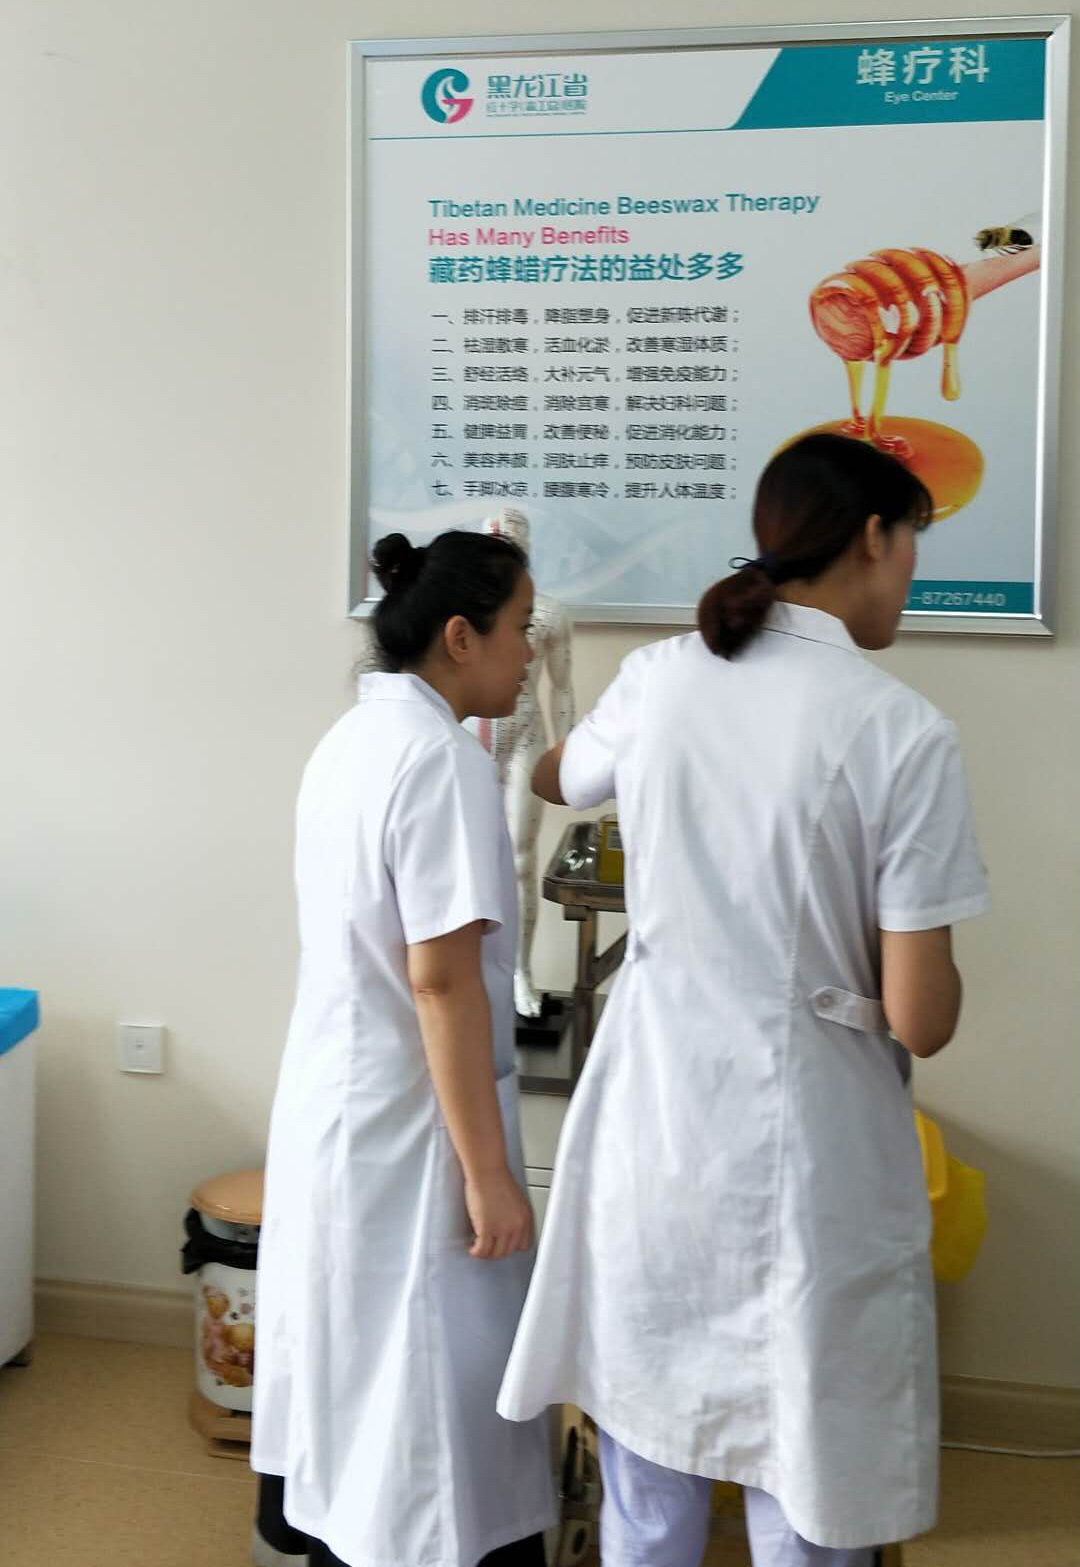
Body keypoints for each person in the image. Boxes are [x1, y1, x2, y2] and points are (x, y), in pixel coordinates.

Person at [497, 433, 990, 1567]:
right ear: (874, 537)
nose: (911, 570)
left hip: (658, 1117)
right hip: (813, 1140)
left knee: (648, 1459)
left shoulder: (662, 676)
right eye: (913, 541)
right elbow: (923, 1015)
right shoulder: (902, 730)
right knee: (803, 1468)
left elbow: (556, 776)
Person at [252, 530, 557, 1567]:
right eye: (521, 627)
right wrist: (490, 1176)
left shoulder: (350, 740)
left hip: (344, 1105)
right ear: (461, 637)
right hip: (415, 1126)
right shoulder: (440, 762)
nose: (531, 652)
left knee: (359, 1390)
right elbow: (441, 980)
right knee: (421, 1413)